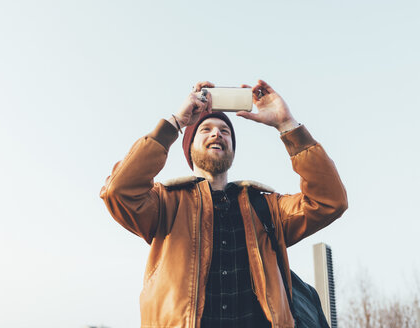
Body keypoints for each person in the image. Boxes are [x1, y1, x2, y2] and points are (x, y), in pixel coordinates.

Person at [100, 80, 348, 328]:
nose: (217, 133)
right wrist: (176, 122)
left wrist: (287, 124)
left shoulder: (267, 208)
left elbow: (329, 201)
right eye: (205, 129)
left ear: (232, 149)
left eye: (225, 131)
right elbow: (118, 191)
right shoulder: (165, 203)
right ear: (189, 147)